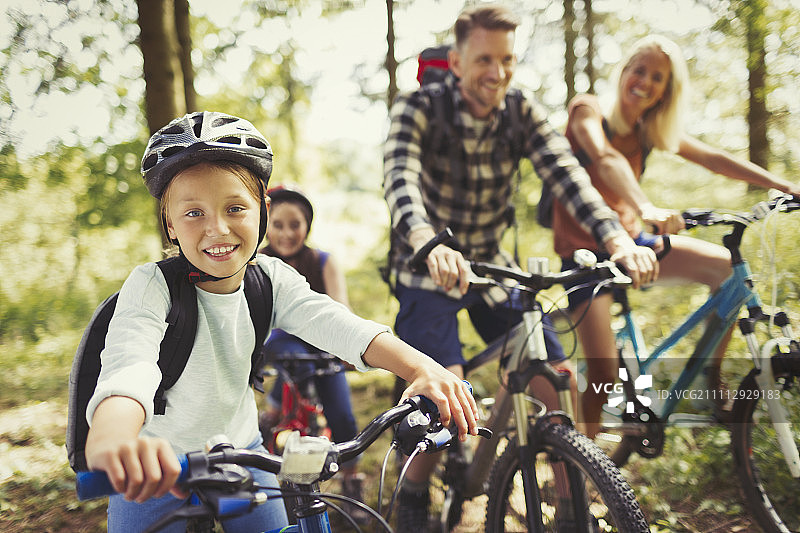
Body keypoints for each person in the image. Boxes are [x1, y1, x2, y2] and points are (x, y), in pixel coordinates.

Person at [84, 111, 479, 533]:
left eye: (235, 208)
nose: (217, 229)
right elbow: (131, 365)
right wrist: (114, 436)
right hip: (153, 464)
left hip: (241, 454)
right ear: (170, 224)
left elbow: (336, 323)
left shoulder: (270, 279)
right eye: (193, 213)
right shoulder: (152, 285)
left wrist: (421, 367)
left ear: (263, 213)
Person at [382, 4, 657, 529]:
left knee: (554, 384)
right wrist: (426, 241)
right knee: (443, 394)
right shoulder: (417, 106)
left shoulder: (520, 110)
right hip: (427, 268)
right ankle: (413, 495)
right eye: (484, 59)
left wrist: (616, 237)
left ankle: (569, 500)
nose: (498, 72)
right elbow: (401, 182)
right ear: (457, 61)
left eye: (507, 59)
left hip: (491, 269)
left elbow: (568, 176)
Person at [552, 34, 800, 438]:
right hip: (585, 254)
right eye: (639, 70)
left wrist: (785, 185)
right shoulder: (587, 110)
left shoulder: (649, 129)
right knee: (603, 374)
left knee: (727, 270)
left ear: (666, 90)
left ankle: (709, 376)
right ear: (624, 71)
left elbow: (713, 158)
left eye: (658, 77)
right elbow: (605, 158)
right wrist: (646, 207)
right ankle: (582, 465)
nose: (645, 82)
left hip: (636, 244)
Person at [257, 184, 368, 522]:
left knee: (344, 416)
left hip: (323, 347)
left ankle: (352, 483)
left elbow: (340, 309)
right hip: (281, 342)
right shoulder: (258, 261)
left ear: (307, 225)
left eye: (295, 224)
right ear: (266, 224)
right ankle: (272, 453)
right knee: (291, 355)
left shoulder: (322, 261)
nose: (287, 233)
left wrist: (350, 345)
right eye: (277, 224)